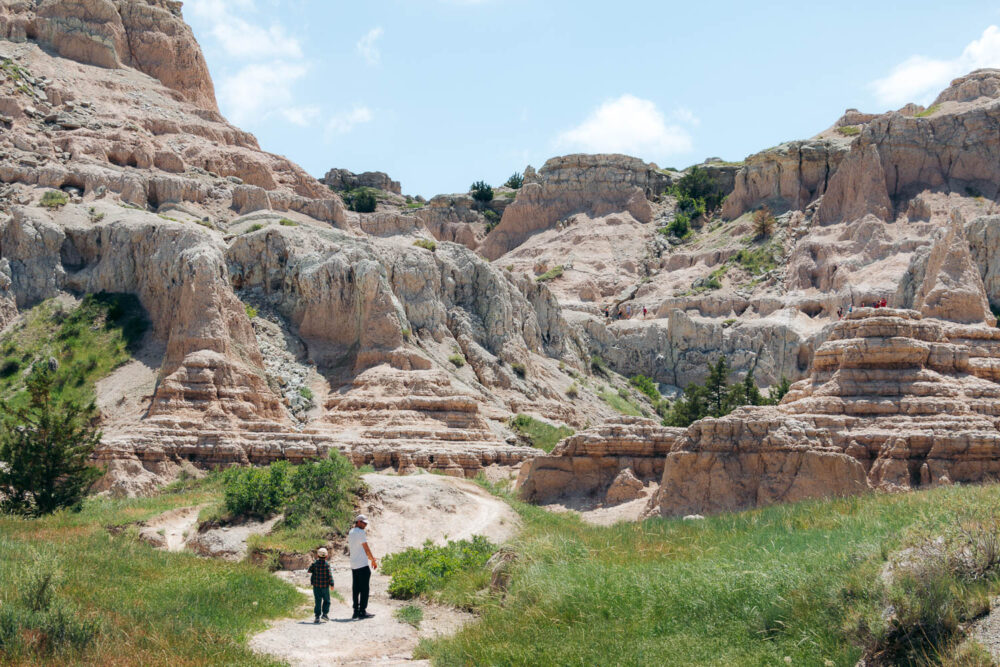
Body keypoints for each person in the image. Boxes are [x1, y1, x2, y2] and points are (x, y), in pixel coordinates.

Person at [348, 514, 378, 620]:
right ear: (358, 522)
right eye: (364, 523)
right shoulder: (360, 532)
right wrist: (373, 560)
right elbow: (366, 548)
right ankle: (362, 611)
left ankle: (355, 611)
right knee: (364, 589)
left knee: (356, 589)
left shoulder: (351, 532)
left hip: (354, 564)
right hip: (362, 564)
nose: (365, 525)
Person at [307, 547, 333, 623]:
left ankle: (317, 616)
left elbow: (309, 571)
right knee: (327, 600)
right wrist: (332, 584)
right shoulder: (327, 565)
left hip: (316, 586)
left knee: (318, 601)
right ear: (326, 556)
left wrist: (313, 564)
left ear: (317, 556)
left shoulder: (315, 564)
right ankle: (325, 614)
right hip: (325, 586)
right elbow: (329, 575)